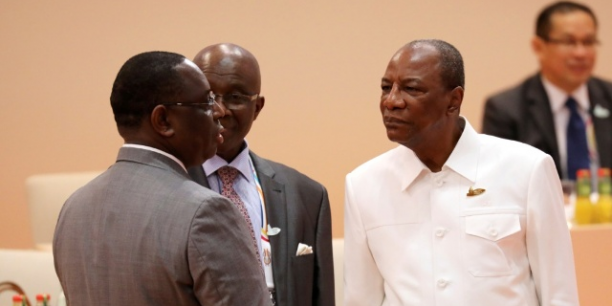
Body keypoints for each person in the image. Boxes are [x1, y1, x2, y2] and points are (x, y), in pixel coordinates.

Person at [344, 39, 579, 305]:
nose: (392, 101)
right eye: (386, 88)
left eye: (411, 88)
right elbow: (360, 298)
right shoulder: (362, 184)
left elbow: (559, 294)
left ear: (453, 101)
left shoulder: (528, 169)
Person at [53, 51, 270, 305]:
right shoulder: (207, 212)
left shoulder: (73, 207)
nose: (218, 111)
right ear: (163, 120)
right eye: (206, 102)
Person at [188, 43, 335, 306]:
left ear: (257, 108)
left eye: (235, 97)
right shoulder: (167, 186)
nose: (220, 110)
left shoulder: (308, 195)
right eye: (208, 97)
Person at [482, 1, 612, 182]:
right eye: (569, 42)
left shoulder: (608, 96)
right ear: (538, 47)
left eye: (588, 42)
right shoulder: (505, 109)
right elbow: (500, 182)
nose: (581, 53)